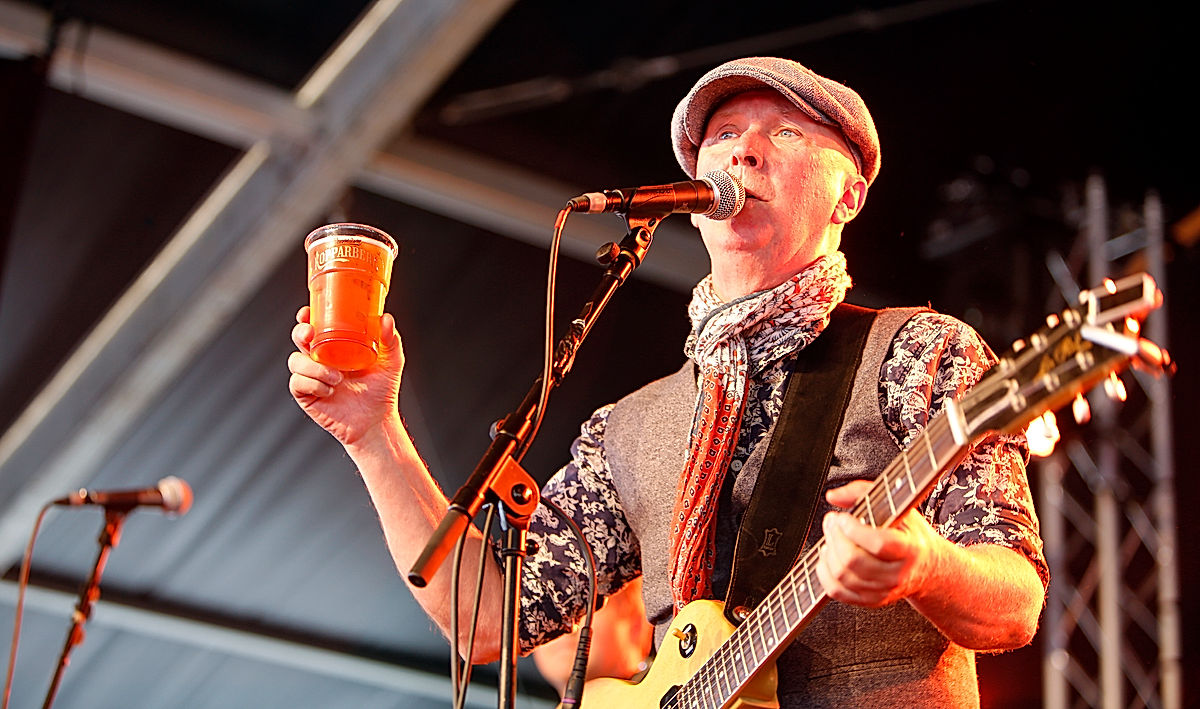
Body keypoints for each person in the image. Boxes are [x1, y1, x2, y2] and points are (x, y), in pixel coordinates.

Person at [288, 56, 1047, 706]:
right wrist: (373, 431)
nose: (744, 152)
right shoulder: (632, 426)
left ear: (848, 195)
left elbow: (1016, 603)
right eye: (722, 138)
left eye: (784, 134)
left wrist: (926, 565)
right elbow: (483, 616)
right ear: (693, 195)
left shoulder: (918, 351)